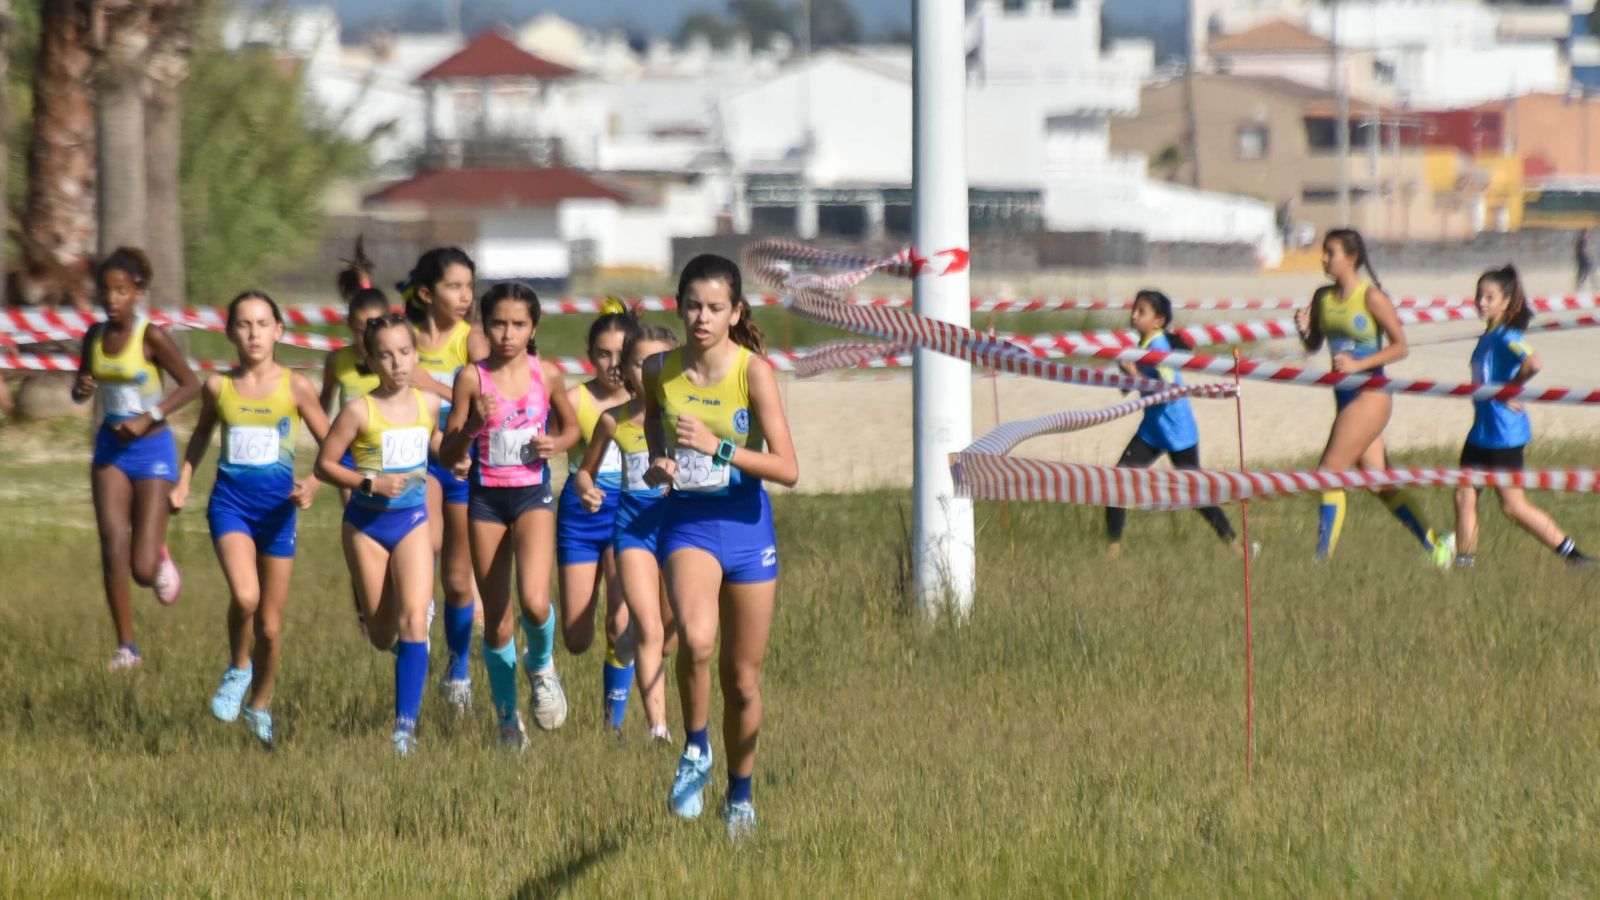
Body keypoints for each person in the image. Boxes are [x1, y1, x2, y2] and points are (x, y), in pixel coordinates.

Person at [645, 254, 799, 838]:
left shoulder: (753, 372)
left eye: (715, 308)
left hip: (747, 529)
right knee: (697, 638)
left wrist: (719, 447)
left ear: (735, 312)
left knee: (742, 682)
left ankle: (740, 797)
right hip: (688, 525)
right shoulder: (660, 369)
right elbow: (657, 431)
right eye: (692, 306)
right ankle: (695, 749)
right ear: (679, 306)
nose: (702, 318)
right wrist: (661, 461)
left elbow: (787, 469)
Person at [172, 292, 331, 744]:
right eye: (243, 324)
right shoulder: (217, 387)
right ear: (229, 333)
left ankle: (260, 704)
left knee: (271, 626)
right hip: (231, 507)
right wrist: (184, 480)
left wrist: (313, 486)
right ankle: (238, 667)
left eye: (263, 324)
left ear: (279, 331)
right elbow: (202, 431)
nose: (254, 333)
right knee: (246, 597)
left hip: (279, 514)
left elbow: (330, 444)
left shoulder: (296, 387)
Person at [439, 283, 579, 748]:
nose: (507, 333)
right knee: (497, 617)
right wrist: (475, 426)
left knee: (536, 601)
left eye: (518, 324)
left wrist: (555, 444)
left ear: (533, 327)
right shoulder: (470, 378)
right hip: (484, 502)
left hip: (532, 496)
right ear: (484, 325)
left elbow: (572, 426)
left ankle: (541, 667)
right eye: (498, 323)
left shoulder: (549, 375)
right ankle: (506, 718)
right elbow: (447, 449)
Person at [316, 314, 441, 755]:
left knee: (414, 619)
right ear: (370, 360)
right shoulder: (358, 411)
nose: (397, 363)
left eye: (404, 352)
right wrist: (369, 483)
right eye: (385, 355)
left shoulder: (428, 404)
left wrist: (462, 451)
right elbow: (325, 465)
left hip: (411, 522)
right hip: (366, 527)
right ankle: (386, 625)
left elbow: (439, 444)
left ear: (416, 354)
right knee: (382, 635)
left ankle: (404, 729)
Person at [72, 247, 200, 671]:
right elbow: (79, 388)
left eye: (121, 291)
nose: (112, 299)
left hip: (152, 450)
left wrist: (150, 417)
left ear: (138, 292)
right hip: (111, 450)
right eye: (106, 291)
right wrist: (84, 388)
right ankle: (127, 647)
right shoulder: (93, 337)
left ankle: (158, 555)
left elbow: (189, 384)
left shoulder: (152, 337)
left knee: (142, 569)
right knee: (112, 545)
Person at [1295, 229, 1451, 566]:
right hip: (1344, 397)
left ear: (1351, 258)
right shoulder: (1322, 297)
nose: (1323, 259)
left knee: (1329, 473)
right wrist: (1304, 330)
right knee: (1379, 482)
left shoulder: (1372, 298)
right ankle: (1437, 545)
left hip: (1371, 395)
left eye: (1330, 253)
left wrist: (1358, 364)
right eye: (1324, 252)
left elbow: (1400, 347)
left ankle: (1320, 561)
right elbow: (1313, 347)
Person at [574, 322, 681, 740]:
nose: (649, 371)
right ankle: (659, 730)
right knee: (651, 630)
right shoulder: (612, 420)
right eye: (640, 363)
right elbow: (585, 474)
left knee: (671, 638)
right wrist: (588, 492)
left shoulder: (688, 418)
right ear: (625, 368)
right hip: (633, 532)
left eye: (660, 363)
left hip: (679, 534)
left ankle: (629, 642)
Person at [1454, 265, 1591, 569]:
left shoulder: (1505, 335)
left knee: (1513, 505)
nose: (1481, 302)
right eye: (1479, 295)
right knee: (1464, 495)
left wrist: (1510, 389)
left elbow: (1533, 362)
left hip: (1504, 434)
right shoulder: (1488, 335)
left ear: (1506, 302)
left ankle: (1574, 556)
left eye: (1490, 297)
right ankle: (1464, 566)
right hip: (1480, 432)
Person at [404, 247, 488, 712]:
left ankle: (458, 671)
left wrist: (430, 386)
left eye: (468, 287)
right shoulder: (409, 340)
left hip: (461, 461)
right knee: (427, 540)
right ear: (425, 292)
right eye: (453, 286)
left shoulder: (471, 341)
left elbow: (479, 399)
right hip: (416, 458)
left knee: (459, 579)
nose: (463, 296)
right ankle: (418, 613)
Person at [1104, 290, 1246, 560]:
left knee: (1196, 493)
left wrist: (1133, 371)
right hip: (1152, 431)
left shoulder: (1159, 348)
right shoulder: (1142, 344)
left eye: (1141, 311)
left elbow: (1168, 387)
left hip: (1178, 432)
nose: (1133, 316)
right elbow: (1129, 389)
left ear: (1158, 320)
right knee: (1118, 482)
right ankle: (1112, 552)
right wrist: (1127, 374)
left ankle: (1236, 547)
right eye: (1134, 310)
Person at [555, 303, 637, 728]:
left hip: (628, 512)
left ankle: (613, 724)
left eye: (621, 354)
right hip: (580, 514)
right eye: (603, 354)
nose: (613, 364)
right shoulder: (574, 399)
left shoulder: (646, 403)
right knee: (576, 637)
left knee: (620, 621)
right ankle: (540, 632)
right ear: (590, 354)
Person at [1575, 229, 1594, 293]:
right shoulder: (1583, 240)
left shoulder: (1582, 240)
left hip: (1581, 259)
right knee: (1586, 272)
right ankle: (1581, 285)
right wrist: (1588, 258)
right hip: (1583, 259)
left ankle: (1580, 285)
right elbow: (1583, 251)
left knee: (1583, 272)